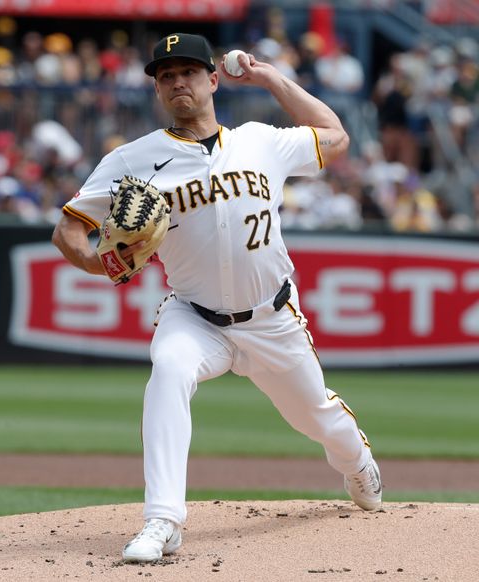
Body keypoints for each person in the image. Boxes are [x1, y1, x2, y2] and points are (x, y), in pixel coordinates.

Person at [51, 33, 382, 564]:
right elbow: (68, 231)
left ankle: (358, 462)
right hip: (194, 316)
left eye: (188, 71)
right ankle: (163, 520)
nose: (177, 81)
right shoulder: (134, 159)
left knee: (316, 417)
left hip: (271, 318)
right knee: (168, 370)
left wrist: (271, 77)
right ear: (158, 90)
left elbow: (334, 136)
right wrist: (97, 261)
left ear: (212, 79)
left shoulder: (260, 141)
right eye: (166, 75)